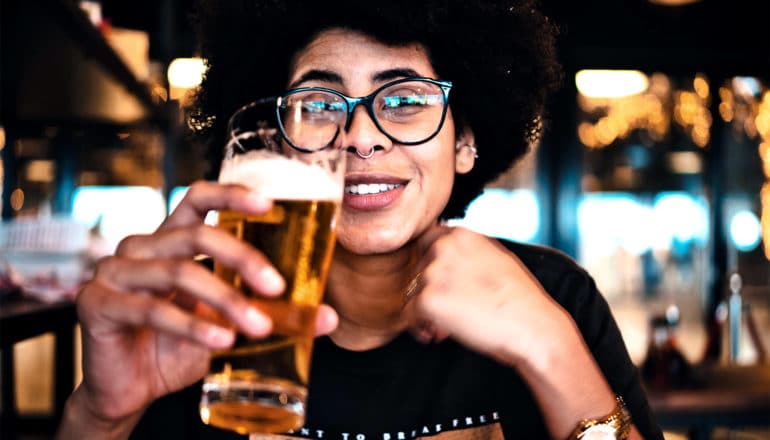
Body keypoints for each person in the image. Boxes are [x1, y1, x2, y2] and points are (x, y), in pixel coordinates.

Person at [57, 0, 664, 439]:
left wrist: (550, 348)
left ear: (466, 141)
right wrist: (101, 417)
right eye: (320, 104)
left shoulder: (555, 298)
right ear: (274, 145)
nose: (362, 138)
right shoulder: (200, 318)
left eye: (403, 100)